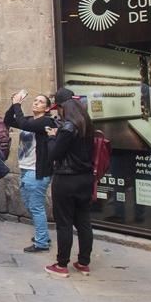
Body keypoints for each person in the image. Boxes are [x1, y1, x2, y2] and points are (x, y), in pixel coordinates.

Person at [45, 88, 95, 277]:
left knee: (64, 223)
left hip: (66, 179)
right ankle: (84, 262)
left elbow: (54, 154)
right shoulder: (86, 123)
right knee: (83, 221)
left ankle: (61, 264)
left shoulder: (67, 127)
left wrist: (52, 138)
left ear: (63, 107)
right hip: (85, 178)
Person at [7, 89, 57, 254]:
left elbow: (24, 124)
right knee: (30, 205)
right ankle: (42, 235)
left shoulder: (46, 122)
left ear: (47, 108)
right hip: (26, 170)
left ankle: (41, 242)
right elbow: (8, 120)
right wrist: (13, 102)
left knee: (36, 207)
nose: (36, 103)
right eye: (35, 100)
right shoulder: (27, 119)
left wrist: (17, 106)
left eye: (41, 101)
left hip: (37, 171)